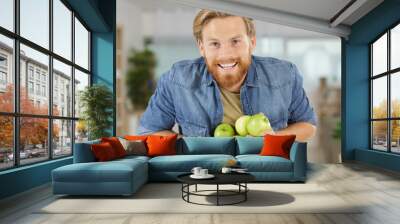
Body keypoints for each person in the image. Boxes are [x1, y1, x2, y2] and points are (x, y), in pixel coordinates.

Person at [137, 10, 316, 142]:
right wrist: (191, 146)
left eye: (235, 41)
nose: (226, 54)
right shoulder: (177, 79)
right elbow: (149, 130)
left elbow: (307, 125)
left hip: (265, 171)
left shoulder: (284, 74)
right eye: (215, 43)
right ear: (201, 47)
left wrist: (273, 138)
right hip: (203, 174)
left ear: (251, 42)